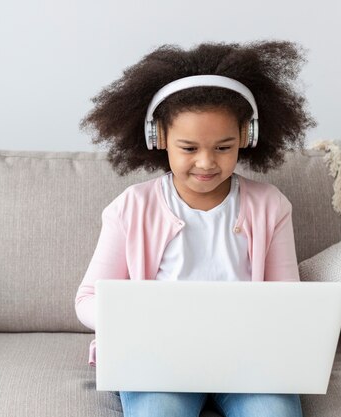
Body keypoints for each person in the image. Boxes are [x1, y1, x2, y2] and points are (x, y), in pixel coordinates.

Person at [74, 41, 316, 417]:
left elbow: (287, 300)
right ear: (160, 139)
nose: (206, 162)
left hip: (248, 362)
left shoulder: (271, 206)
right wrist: (137, 318)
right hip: (155, 363)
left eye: (223, 147)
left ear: (246, 139)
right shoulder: (132, 207)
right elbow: (86, 299)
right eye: (188, 148)